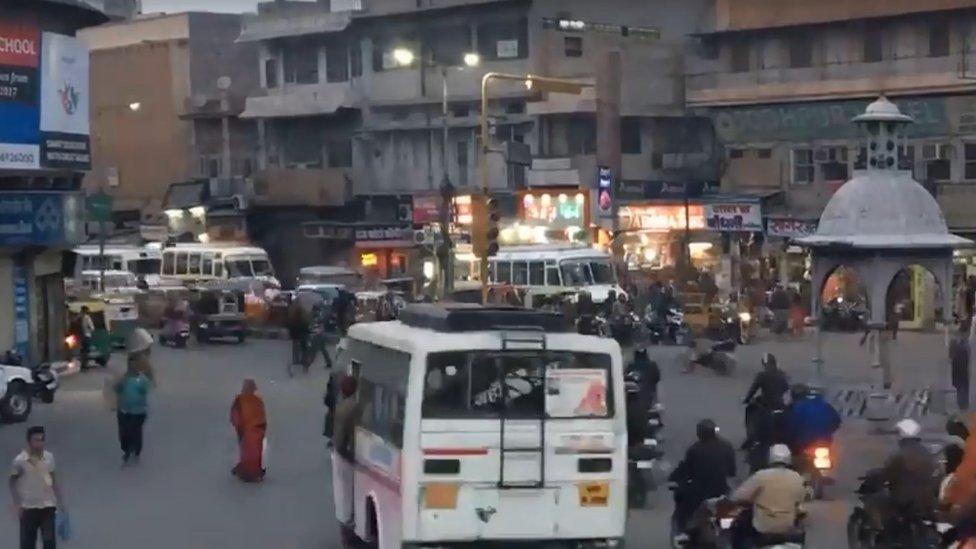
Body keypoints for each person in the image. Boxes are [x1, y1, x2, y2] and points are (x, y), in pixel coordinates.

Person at [669, 419, 737, 538]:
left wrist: (674, 479)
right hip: (721, 490)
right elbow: (732, 471)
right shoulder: (726, 446)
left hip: (699, 493)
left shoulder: (694, 449)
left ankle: (682, 532)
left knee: (682, 505)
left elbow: (686, 471)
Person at [730, 444, 806, 549]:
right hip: (787, 527)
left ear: (770, 457)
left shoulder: (761, 476)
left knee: (738, 532)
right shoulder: (797, 478)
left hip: (763, 528)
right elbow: (801, 499)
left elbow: (738, 496)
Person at [873, 419, 939, 532]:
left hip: (905, 500)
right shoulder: (927, 453)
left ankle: (882, 533)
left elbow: (886, 473)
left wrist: (877, 481)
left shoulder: (899, 455)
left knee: (876, 501)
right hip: (928, 500)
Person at [9, 426, 66, 549]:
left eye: (42, 439)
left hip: (48, 506)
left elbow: (53, 480)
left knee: (49, 543)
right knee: (27, 544)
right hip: (28, 508)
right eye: (36, 440)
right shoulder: (20, 461)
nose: (39, 443)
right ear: (29, 442)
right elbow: (12, 482)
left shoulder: (49, 458)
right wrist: (17, 504)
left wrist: (60, 503)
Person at [332, 375, 362, 536]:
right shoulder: (359, 405)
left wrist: (346, 456)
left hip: (344, 454)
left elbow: (339, 439)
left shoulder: (343, 407)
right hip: (353, 450)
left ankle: (346, 529)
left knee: (343, 492)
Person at [114, 356, 151, 465]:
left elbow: (145, 390)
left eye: (134, 364)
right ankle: (126, 449)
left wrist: (140, 389)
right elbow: (116, 388)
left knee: (134, 431)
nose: (132, 367)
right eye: (130, 365)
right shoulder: (124, 378)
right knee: (124, 432)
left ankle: (136, 450)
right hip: (123, 410)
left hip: (138, 411)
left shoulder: (142, 379)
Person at [785, 384, 841, 455]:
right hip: (823, 443)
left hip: (800, 445)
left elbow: (788, 427)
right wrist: (827, 432)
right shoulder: (824, 405)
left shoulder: (792, 409)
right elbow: (837, 422)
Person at [230, 379, 267, 482]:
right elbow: (262, 416)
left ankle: (248, 471)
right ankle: (254, 471)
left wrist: (239, 428)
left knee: (247, 452)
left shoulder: (239, 400)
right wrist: (263, 429)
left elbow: (235, 416)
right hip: (258, 429)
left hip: (247, 430)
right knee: (255, 452)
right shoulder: (258, 401)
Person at [286, 298, 310, 367]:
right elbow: (306, 321)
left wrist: (289, 329)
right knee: (303, 346)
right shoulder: (302, 311)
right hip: (302, 331)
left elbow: (288, 321)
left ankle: (296, 359)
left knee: (296, 345)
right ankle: (303, 360)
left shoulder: (291, 311)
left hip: (294, 331)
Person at [955, 323, 972, 411]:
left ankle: (962, 403)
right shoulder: (965, 346)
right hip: (962, 370)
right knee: (963, 386)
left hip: (960, 370)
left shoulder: (961, 345)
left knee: (962, 386)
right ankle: (963, 403)